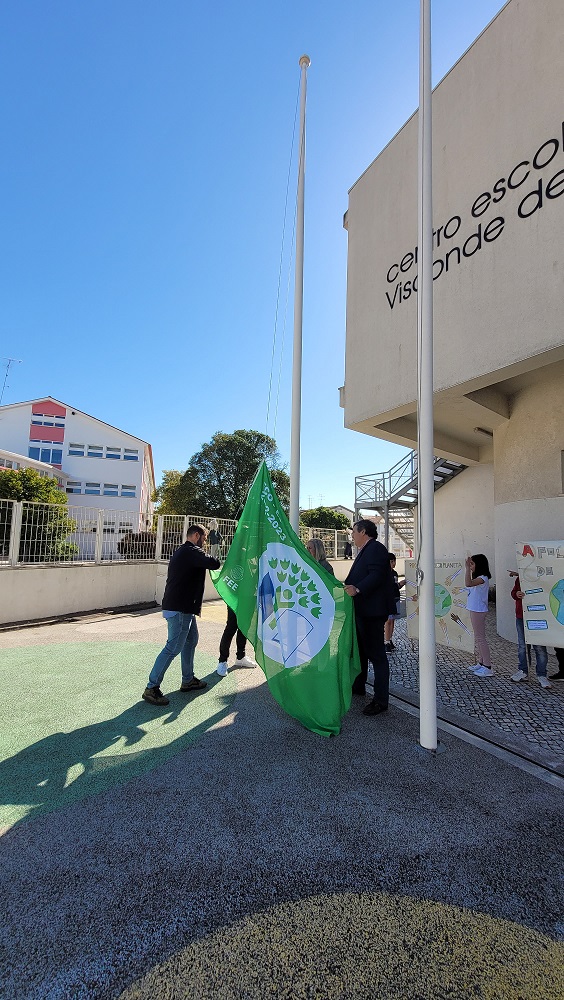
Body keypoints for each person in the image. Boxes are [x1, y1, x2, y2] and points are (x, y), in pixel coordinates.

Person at [142, 524, 220, 706]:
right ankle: (151, 687)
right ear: (196, 535)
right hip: (179, 608)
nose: (205, 542)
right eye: (205, 538)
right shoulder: (190, 551)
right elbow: (213, 563)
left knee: (191, 641)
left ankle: (188, 680)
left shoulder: (184, 552)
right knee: (173, 647)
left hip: (183, 608)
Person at [344, 519, 397, 716]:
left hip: (373, 612)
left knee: (376, 655)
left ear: (364, 531)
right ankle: (359, 686)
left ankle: (380, 700)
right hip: (364, 610)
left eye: (354, 532)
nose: (352, 536)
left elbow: (375, 576)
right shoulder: (366, 549)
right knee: (362, 651)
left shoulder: (375, 548)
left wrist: (357, 589)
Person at [507, 571, 551, 688]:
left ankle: (542, 675)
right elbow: (513, 592)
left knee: (539, 647)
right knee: (522, 646)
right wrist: (516, 594)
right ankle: (523, 671)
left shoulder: (542, 577)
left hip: (537, 615)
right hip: (521, 616)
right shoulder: (520, 579)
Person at [465, 553, 493, 677]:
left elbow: (468, 583)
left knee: (481, 638)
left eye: (472, 564)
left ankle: (487, 666)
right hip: (475, 609)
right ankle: (481, 663)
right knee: (478, 637)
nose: (470, 567)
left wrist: (466, 568)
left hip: (478, 610)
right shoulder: (479, 578)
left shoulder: (483, 578)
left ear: (479, 564)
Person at [217, 606, 257, 676]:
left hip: (248, 599)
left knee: (243, 628)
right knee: (231, 627)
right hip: (235, 598)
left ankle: (241, 657)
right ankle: (222, 661)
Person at [384, 552, 404, 652]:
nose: (393, 563)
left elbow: (396, 586)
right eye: (391, 561)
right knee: (388, 621)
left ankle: (390, 639)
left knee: (392, 621)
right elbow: (390, 587)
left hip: (396, 598)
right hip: (388, 600)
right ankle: (386, 641)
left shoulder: (395, 573)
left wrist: (402, 584)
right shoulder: (385, 574)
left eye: (394, 561)